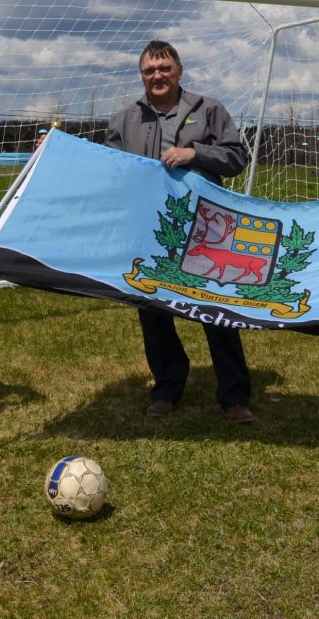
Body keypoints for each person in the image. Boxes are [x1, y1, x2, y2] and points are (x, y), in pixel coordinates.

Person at [104, 40, 255, 424]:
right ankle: (167, 388)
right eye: (149, 70)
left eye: (164, 68)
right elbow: (109, 169)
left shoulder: (209, 109)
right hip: (149, 227)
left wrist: (196, 153)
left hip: (205, 228)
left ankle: (234, 396)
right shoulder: (124, 119)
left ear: (179, 71)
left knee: (215, 310)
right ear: (142, 76)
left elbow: (238, 157)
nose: (157, 76)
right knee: (153, 313)